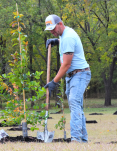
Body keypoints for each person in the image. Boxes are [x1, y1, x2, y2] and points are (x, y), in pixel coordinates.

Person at [44, 14, 91, 143]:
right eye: (50, 30)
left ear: (60, 23)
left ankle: (76, 138)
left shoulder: (68, 37)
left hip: (79, 74)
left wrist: (54, 81)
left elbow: (66, 64)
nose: (52, 32)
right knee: (76, 106)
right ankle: (83, 139)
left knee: (74, 103)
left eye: (53, 28)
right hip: (73, 75)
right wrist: (56, 41)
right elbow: (65, 42)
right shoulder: (64, 35)